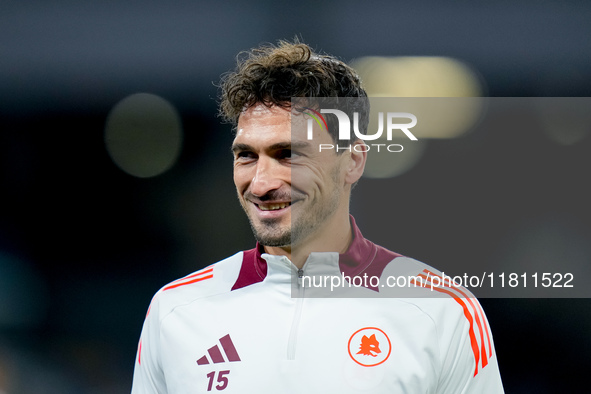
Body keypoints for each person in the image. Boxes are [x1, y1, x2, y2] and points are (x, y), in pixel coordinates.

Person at [131, 40, 504, 393]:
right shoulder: (176, 310)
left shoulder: (442, 310)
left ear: (353, 161)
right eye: (246, 155)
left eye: (289, 154)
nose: (261, 183)